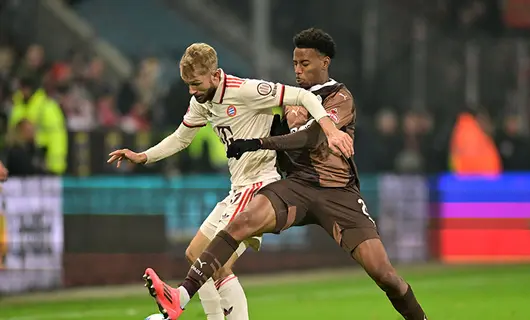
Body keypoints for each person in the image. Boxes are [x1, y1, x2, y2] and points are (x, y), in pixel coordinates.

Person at [143, 29, 428, 320]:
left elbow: (311, 138)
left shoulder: (339, 97)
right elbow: (250, 111)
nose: (298, 69)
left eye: (305, 63)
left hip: (337, 192)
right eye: (295, 63)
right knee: (243, 221)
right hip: (296, 186)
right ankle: (181, 295)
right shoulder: (289, 100)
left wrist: (258, 143)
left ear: (325, 62)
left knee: (385, 275)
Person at [107, 43, 353, 320]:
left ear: (214, 75)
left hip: (259, 186)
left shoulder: (245, 90)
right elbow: (180, 138)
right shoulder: (202, 100)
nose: (191, 90)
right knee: (196, 254)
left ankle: (184, 304)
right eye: (187, 84)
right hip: (238, 188)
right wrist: (143, 156)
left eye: (196, 83)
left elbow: (303, 97)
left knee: (210, 258)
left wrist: (330, 131)